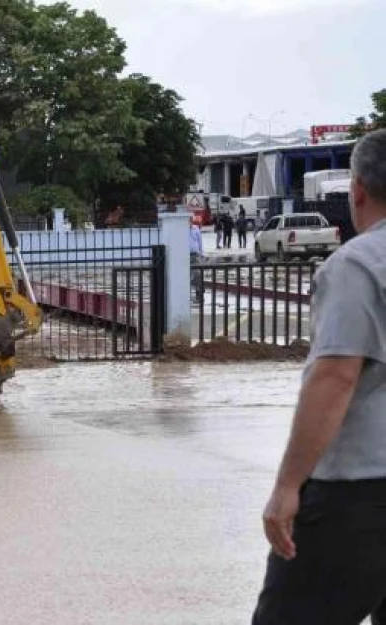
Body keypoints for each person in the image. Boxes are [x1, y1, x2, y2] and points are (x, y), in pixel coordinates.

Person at [252, 129, 386, 624]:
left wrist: (288, 486)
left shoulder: (357, 265)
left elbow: (334, 377)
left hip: (358, 495)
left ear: (357, 190)